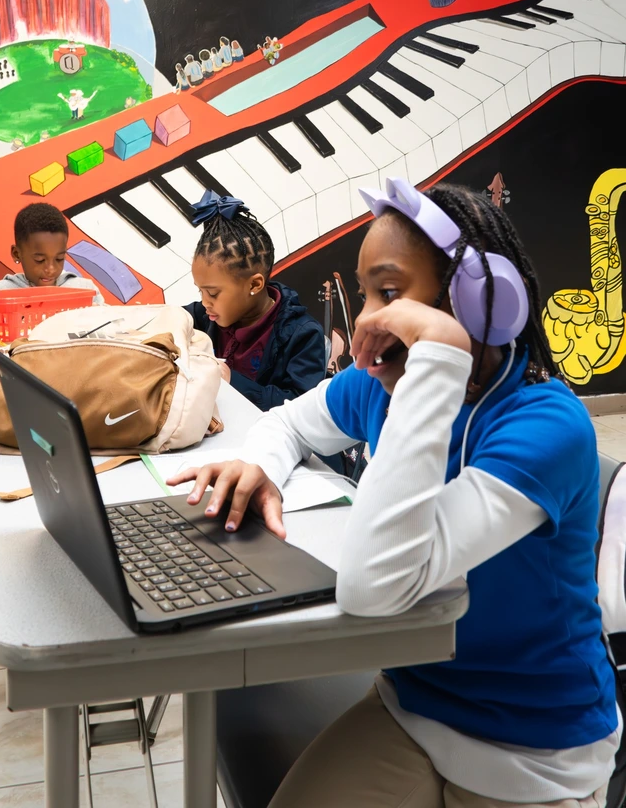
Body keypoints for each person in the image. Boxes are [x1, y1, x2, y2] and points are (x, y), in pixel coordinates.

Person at [171, 178, 620, 807]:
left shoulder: (546, 428)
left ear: (478, 301)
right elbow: (290, 422)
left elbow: (373, 585)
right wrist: (263, 464)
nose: (367, 322)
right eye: (365, 295)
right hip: (416, 704)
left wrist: (438, 357)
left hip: (534, 748)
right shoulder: (384, 386)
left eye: (388, 293)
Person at [183, 190, 325, 409]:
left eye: (212, 293)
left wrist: (232, 380)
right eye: (199, 291)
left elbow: (301, 407)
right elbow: (171, 317)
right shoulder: (206, 314)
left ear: (254, 285)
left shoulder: (302, 335)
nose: (204, 302)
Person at [0, 204, 103, 299]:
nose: (51, 269)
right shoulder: (4, 293)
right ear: (16, 254)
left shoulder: (84, 290)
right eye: (40, 260)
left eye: (59, 259)